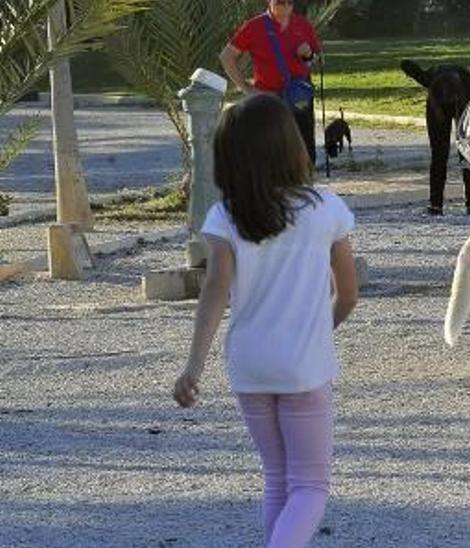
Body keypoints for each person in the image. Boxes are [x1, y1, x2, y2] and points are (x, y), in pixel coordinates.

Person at [172, 94, 358, 547]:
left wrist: (193, 367)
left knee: (276, 477)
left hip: (249, 366)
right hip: (303, 367)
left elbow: (215, 291)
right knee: (310, 486)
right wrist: (321, 328)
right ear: (290, 145)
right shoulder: (325, 209)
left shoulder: (224, 217)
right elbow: (348, 293)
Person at [220, 0, 323, 165]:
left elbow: (316, 61)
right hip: (268, 96)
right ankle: (270, 188)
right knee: (269, 148)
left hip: (298, 95)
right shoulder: (254, 26)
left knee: (304, 147)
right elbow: (226, 57)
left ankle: (305, 186)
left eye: (290, 2)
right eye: (281, 2)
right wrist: (246, 88)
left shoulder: (303, 24)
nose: (286, 6)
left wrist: (309, 54)